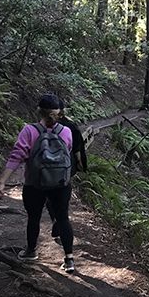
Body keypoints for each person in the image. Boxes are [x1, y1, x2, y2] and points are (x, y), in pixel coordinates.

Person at [0, 94, 76, 273]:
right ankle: (69, 260)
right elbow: (67, 153)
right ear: (60, 113)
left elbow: (17, 156)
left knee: (34, 218)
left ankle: (31, 252)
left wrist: (2, 181)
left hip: (34, 183)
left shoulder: (29, 131)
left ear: (38, 110)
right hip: (61, 184)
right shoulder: (66, 131)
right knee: (62, 218)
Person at [47, 99, 87, 239]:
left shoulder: (43, 126)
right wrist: (80, 163)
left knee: (49, 196)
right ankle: (60, 217)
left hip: (47, 166)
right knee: (62, 192)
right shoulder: (70, 126)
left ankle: (55, 218)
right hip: (65, 166)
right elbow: (77, 148)